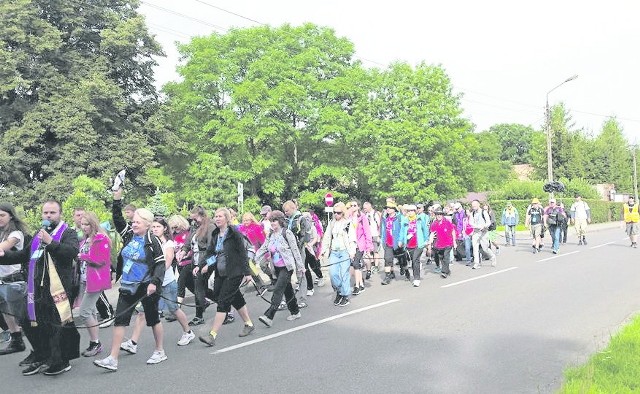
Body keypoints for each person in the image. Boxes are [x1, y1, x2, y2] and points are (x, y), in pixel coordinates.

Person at [0, 200, 80, 376]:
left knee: (55, 326)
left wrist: (51, 242)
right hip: (35, 288)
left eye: (52, 212)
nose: (48, 216)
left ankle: (60, 360)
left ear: (60, 214)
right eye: (45, 213)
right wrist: (3, 256)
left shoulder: (68, 232)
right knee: (29, 322)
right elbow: (23, 255)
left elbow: (70, 253)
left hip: (57, 289)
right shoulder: (38, 234)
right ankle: (42, 355)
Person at [93, 208, 166, 371]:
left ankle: (159, 350)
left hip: (146, 286)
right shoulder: (129, 235)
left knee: (153, 319)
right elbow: (117, 218)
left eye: (137, 222)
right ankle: (113, 358)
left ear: (147, 224)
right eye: (133, 222)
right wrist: (116, 198)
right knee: (120, 320)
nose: (133, 224)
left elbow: (160, 264)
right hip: (127, 285)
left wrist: (154, 283)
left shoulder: (152, 241)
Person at [120, 217, 195, 354]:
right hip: (151, 284)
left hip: (166, 282)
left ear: (165, 228)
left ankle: (188, 331)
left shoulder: (168, 244)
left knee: (173, 309)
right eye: (153, 227)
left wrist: (155, 275)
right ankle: (133, 342)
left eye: (158, 227)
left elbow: (166, 262)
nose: (155, 229)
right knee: (142, 312)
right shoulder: (149, 242)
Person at [197, 208, 256, 346]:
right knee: (234, 297)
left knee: (223, 302)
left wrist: (247, 273)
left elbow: (242, 252)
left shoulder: (234, 232)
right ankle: (248, 324)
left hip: (234, 272)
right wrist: (201, 265)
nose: (217, 218)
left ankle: (212, 335)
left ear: (227, 218)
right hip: (220, 272)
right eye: (215, 216)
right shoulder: (216, 234)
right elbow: (212, 254)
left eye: (220, 216)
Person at [255, 210, 305, 324]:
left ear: (280, 221)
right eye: (271, 221)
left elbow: (295, 251)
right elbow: (263, 248)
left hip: (286, 268)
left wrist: (301, 267)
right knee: (287, 290)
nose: (272, 223)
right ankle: (295, 311)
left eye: (275, 221)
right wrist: (254, 259)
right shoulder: (270, 235)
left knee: (278, 290)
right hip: (276, 268)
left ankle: (269, 315)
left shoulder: (287, 233)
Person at [76, 212, 112, 357]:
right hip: (85, 278)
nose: (84, 227)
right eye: (82, 224)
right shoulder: (85, 240)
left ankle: (95, 343)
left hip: (96, 279)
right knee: (90, 311)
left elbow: (101, 260)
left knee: (84, 312)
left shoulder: (100, 238)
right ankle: (94, 342)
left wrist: (81, 256)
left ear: (93, 224)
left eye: (86, 224)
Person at [0, 202, 28, 356]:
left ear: (11, 215)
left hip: (14, 281)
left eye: (2, 215)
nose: (0, 218)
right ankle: (16, 339)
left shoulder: (15, 234)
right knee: (6, 312)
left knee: (23, 317)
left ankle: (39, 350)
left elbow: (4, 247)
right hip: (2, 281)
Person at [320, 202, 355, 305]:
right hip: (334, 252)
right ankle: (339, 291)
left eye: (339, 213)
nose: (336, 214)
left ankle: (345, 295)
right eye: (334, 212)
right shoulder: (331, 223)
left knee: (344, 274)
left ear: (343, 213)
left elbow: (352, 239)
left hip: (345, 252)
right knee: (333, 274)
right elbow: (327, 237)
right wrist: (323, 250)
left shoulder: (348, 223)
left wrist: (352, 252)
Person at [168, 214, 193, 321]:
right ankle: (205, 300)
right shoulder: (172, 236)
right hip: (179, 264)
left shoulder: (188, 234)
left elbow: (191, 247)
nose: (175, 230)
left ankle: (176, 310)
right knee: (192, 286)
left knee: (180, 284)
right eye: (173, 228)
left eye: (176, 227)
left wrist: (186, 253)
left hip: (189, 262)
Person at [348, 200, 373, 294]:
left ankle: (357, 286)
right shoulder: (348, 218)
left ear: (358, 207)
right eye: (351, 205)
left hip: (360, 244)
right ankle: (361, 284)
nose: (352, 207)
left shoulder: (362, 218)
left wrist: (368, 247)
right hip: (352, 245)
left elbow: (367, 232)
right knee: (354, 264)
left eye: (354, 205)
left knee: (355, 263)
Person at [400, 204, 429, 287]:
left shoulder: (419, 219)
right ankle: (416, 270)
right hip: (409, 244)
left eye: (412, 211)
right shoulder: (405, 220)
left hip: (418, 244)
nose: (410, 212)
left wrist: (426, 240)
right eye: (408, 211)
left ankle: (416, 279)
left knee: (415, 259)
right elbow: (402, 232)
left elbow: (425, 230)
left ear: (415, 211)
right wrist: (400, 240)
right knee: (413, 261)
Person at [301, 210, 325, 296]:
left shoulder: (313, 227)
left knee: (314, 267)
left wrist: (310, 244)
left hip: (310, 249)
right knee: (305, 268)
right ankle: (309, 287)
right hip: (302, 250)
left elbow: (315, 238)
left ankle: (320, 277)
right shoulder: (300, 228)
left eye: (306, 218)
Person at [379, 200, 403, 285]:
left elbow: (403, 230)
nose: (388, 209)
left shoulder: (399, 218)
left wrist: (401, 240)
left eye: (390, 208)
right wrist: (382, 239)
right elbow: (382, 229)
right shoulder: (385, 218)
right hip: (388, 242)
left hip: (398, 242)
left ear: (394, 209)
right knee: (387, 259)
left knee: (401, 259)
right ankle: (388, 276)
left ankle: (403, 269)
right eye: (387, 208)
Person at [427, 209, 456, 278]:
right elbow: (432, 233)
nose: (439, 216)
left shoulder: (447, 222)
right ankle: (447, 270)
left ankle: (444, 272)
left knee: (446, 257)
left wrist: (454, 241)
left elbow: (453, 231)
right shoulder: (434, 224)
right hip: (439, 244)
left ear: (442, 215)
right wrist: (430, 243)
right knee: (442, 258)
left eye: (440, 214)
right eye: (437, 214)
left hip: (448, 243)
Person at [469, 200, 496, 269]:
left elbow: (488, 222)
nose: (473, 207)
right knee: (475, 248)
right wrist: (477, 226)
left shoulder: (483, 212)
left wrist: (484, 226)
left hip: (483, 232)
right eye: (472, 206)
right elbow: (471, 223)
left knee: (485, 249)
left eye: (475, 205)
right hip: (476, 232)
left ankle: (493, 257)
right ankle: (476, 263)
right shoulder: (472, 213)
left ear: (478, 205)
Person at [362, 202, 382, 276]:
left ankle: (376, 266)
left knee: (375, 251)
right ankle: (372, 263)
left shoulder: (375, 214)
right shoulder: (365, 215)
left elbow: (379, 225)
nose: (364, 209)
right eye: (364, 208)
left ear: (369, 206)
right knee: (369, 252)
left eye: (365, 208)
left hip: (375, 235)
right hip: (368, 236)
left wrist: (379, 236)